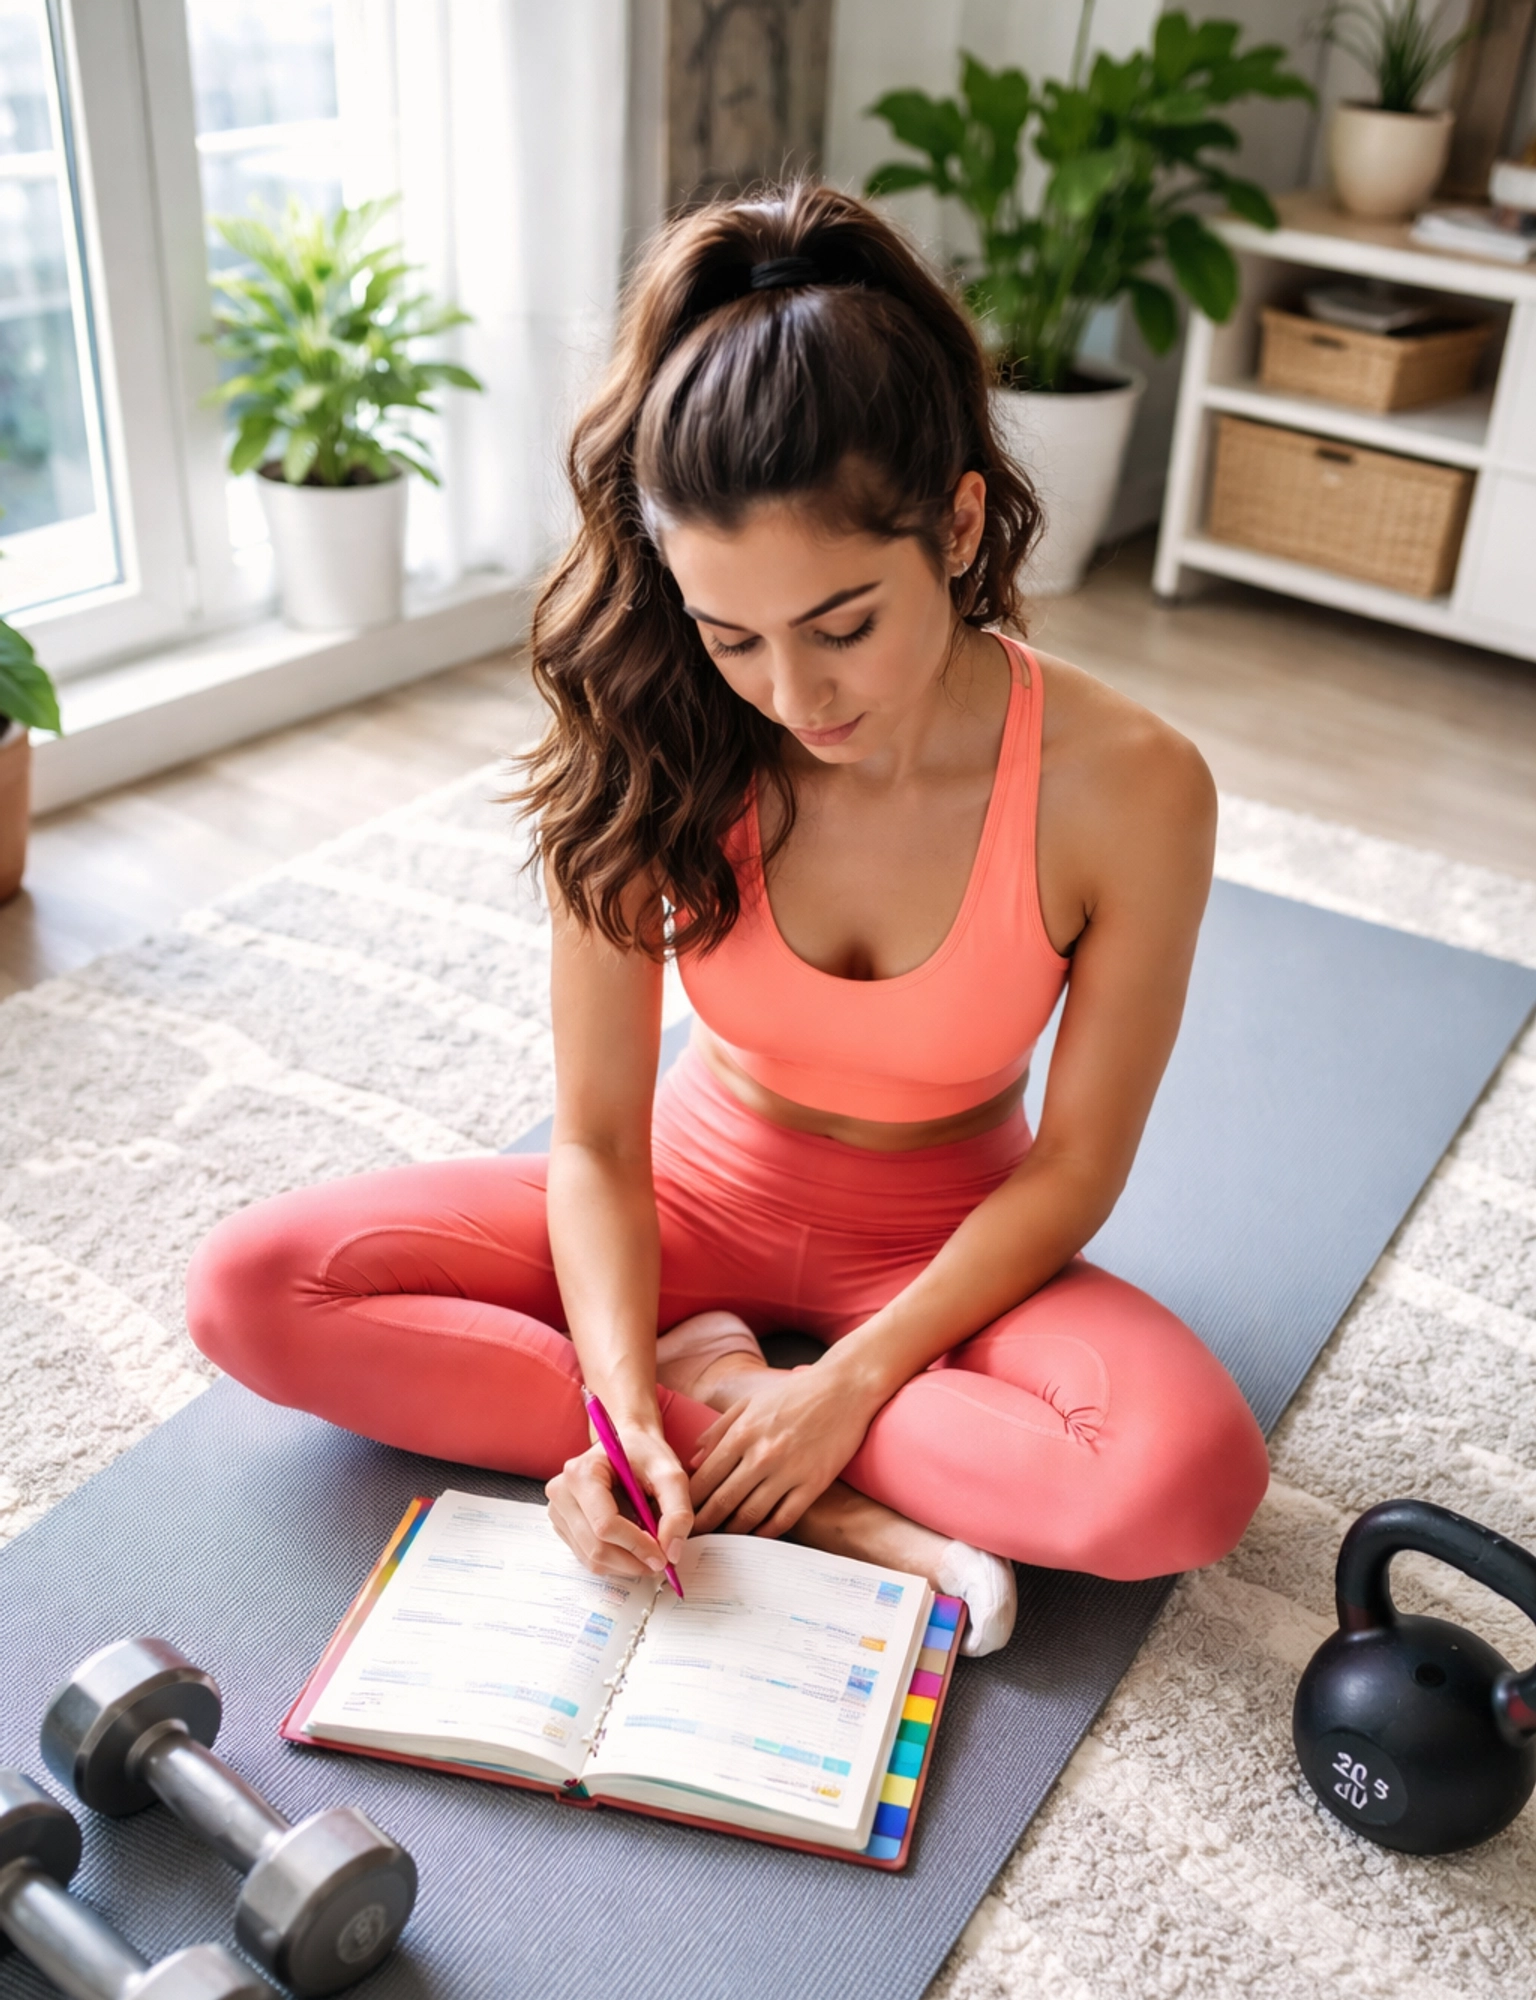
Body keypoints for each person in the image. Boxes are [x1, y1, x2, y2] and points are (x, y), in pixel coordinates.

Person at [186, 181, 1269, 1658]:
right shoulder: (659, 732)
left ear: (956, 524)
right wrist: (623, 1402)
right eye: (730, 634)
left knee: (1185, 1484)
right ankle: (783, 1481)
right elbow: (594, 1139)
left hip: (947, 1240)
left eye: (842, 624)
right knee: (254, 1290)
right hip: (689, 1197)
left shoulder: (1135, 787)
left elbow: (1078, 1165)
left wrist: (852, 1381)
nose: (794, 696)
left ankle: (765, 1432)